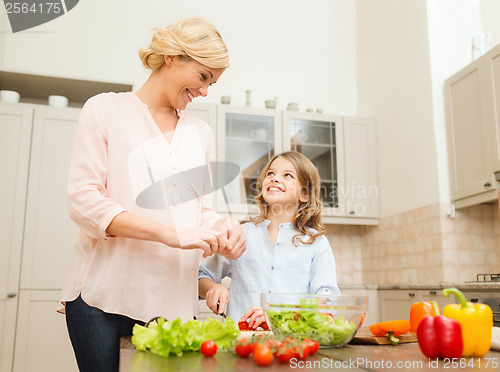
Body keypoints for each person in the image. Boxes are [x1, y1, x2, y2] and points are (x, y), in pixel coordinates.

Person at [59, 17, 245, 372]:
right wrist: (168, 235)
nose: (205, 91)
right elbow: (84, 201)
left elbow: (200, 212)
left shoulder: (200, 133)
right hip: (102, 296)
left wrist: (223, 226)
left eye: (213, 83)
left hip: (171, 303)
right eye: (204, 77)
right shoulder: (105, 109)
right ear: (172, 56)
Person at [198, 151, 340, 329]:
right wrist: (212, 288)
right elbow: (202, 276)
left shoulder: (316, 243)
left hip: (292, 342)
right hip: (241, 341)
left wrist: (282, 316)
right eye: (270, 174)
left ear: (304, 194)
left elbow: (327, 300)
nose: (274, 178)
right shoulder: (241, 234)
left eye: (287, 175)